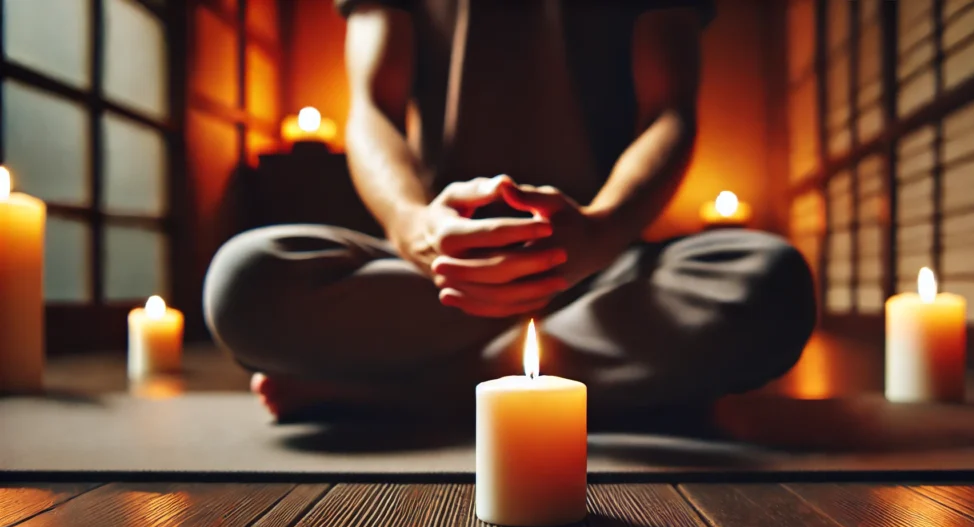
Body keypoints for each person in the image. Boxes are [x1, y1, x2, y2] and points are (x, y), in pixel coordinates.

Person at [202, 0, 817, 427]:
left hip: (603, 269)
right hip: (441, 274)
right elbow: (372, 109)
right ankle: (612, 389)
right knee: (245, 279)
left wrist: (601, 231)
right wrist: (414, 227)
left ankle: (396, 395)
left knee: (771, 285)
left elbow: (670, 111)